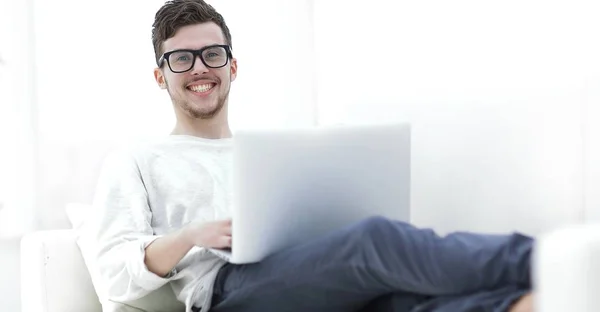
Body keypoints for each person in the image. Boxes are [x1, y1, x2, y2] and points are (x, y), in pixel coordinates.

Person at [85, 0, 535, 311]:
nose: (200, 67)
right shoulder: (138, 159)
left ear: (232, 67)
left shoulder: (271, 153)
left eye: (212, 54)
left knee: (401, 302)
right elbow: (113, 275)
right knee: (376, 241)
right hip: (224, 293)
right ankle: (543, 259)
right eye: (181, 59)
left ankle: (535, 300)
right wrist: (191, 235)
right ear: (161, 77)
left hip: (302, 275)